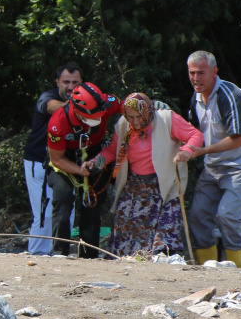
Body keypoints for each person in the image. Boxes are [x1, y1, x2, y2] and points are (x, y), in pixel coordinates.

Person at [85, 93, 204, 257]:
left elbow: (195, 135)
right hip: (136, 185)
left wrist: (187, 150)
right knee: (124, 230)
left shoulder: (166, 119)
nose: (135, 121)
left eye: (139, 116)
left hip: (164, 184)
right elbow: (113, 150)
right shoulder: (123, 125)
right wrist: (96, 162)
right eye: (130, 117)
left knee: (164, 232)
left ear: (148, 111)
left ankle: (161, 263)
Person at [184, 51, 241, 267]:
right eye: (192, 73)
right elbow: (193, 132)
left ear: (214, 72)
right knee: (198, 216)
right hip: (214, 167)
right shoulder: (196, 98)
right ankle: (208, 270)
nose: (196, 78)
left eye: (201, 73)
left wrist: (201, 151)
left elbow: (237, 139)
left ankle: (235, 271)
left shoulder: (229, 94)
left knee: (226, 215)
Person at [44, 81, 124, 258]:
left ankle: (89, 255)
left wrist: (153, 107)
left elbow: (131, 106)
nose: (98, 118)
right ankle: (60, 252)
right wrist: (79, 170)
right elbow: (56, 159)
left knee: (92, 205)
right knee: (63, 199)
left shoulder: (108, 102)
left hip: (95, 155)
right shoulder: (58, 122)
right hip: (66, 159)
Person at [23, 64, 82, 254]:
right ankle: (38, 254)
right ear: (58, 82)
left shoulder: (87, 101)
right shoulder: (48, 97)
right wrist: (77, 105)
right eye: (66, 82)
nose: (70, 87)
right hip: (39, 161)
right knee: (44, 213)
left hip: (66, 163)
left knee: (67, 211)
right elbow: (50, 107)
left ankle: (59, 252)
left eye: (75, 82)